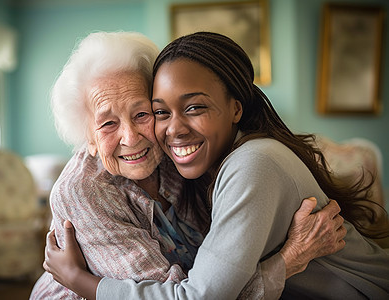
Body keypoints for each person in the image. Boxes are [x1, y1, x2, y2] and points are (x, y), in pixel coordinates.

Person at [43, 32, 389, 299]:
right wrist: (287, 261)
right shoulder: (86, 189)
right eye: (107, 124)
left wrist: (80, 279)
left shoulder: (222, 163)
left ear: (236, 108)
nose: (132, 137)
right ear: (86, 137)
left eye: (144, 113)